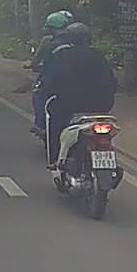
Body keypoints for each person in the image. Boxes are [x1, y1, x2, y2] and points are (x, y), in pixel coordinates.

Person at [36, 17, 117, 168]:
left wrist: (46, 87)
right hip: (101, 106)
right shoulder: (98, 55)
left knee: (54, 123)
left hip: (69, 105)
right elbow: (112, 81)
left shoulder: (61, 55)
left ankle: (55, 159)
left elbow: (50, 79)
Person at [29, 10, 76, 134]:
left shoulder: (48, 42)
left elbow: (37, 61)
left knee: (38, 95)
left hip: (54, 81)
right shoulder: (77, 41)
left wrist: (34, 66)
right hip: (78, 80)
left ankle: (41, 125)